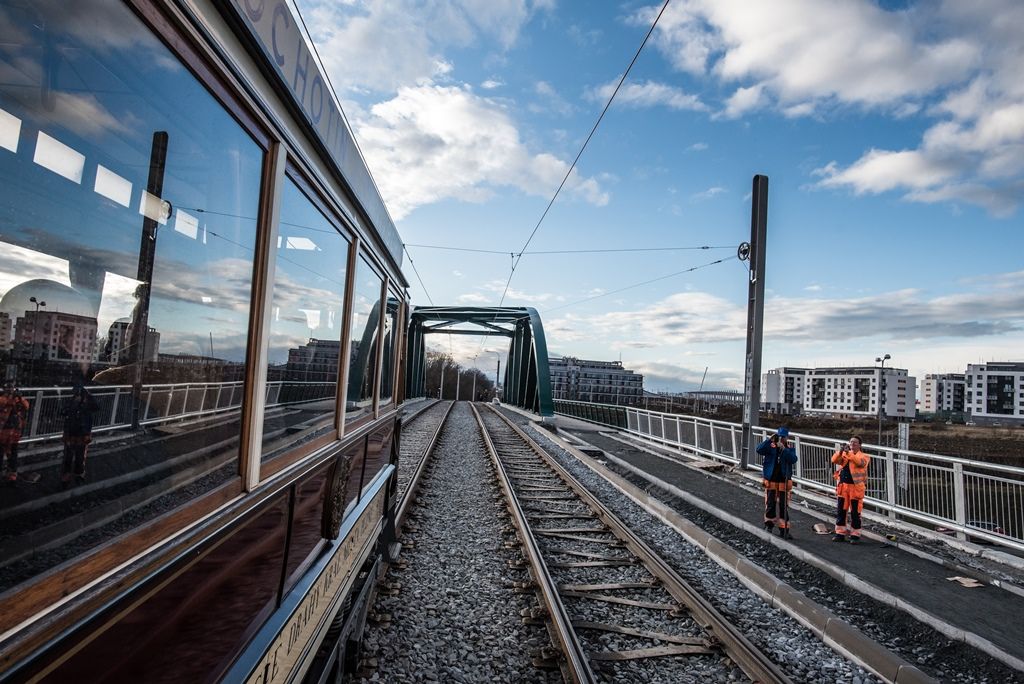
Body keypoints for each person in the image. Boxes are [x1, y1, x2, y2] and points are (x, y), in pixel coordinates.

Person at [756, 427, 798, 538]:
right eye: (779, 437)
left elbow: (793, 459)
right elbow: (759, 449)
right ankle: (768, 525)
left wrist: (784, 449)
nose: (781, 439)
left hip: (783, 480)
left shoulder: (788, 448)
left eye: (783, 437)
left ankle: (784, 529)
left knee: (784, 506)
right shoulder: (770, 446)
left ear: (786, 438)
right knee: (770, 503)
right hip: (771, 479)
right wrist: (769, 440)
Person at [832, 435, 871, 544]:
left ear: (859, 445)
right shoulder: (845, 455)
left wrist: (848, 453)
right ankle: (840, 533)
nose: (852, 444)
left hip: (856, 489)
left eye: (855, 443)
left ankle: (855, 535)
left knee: (855, 513)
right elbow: (834, 460)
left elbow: (859, 462)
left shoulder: (864, 456)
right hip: (843, 487)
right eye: (851, 442)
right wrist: (840, 452)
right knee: (841, 511)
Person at [61, 384, 99, 485]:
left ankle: (77, 475)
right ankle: (68, 476)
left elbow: (96, 407)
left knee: (80, 456)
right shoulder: (71, 402)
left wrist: (89, 396)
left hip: (80, 433)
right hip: (73, 432)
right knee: (69, 456)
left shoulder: (86, 403)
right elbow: (63, 412)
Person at [1, 383, 31, 482]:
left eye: (11, 388)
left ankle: (12, 477)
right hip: (3, 431)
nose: (10, 390)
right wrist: (11, 398)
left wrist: (20, 398)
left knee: (13, 455)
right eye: (8, 388)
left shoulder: (17, 399)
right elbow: (3, 402)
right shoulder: (2, 398)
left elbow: (26, 406)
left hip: (13, 432)